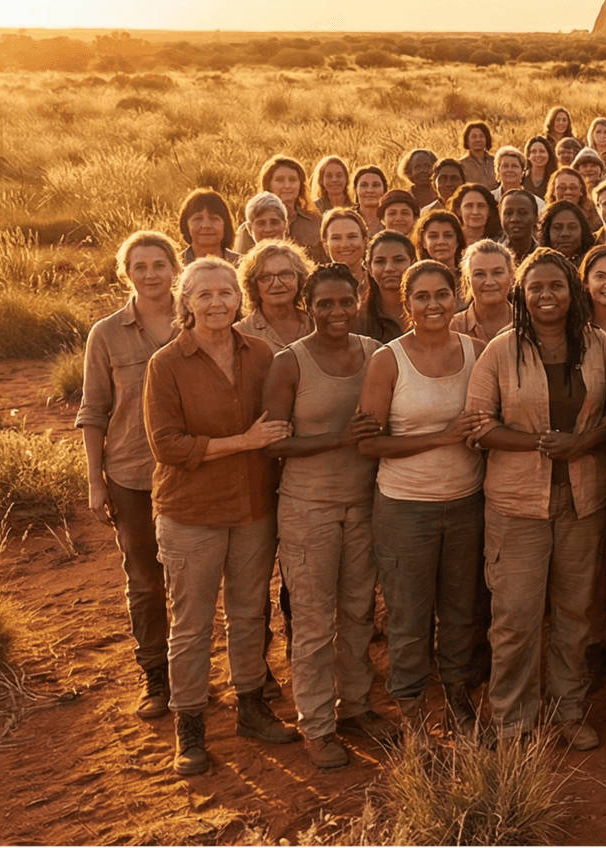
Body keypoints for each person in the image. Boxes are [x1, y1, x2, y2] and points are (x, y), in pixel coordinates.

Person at [144, 258, 297, 775]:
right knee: (191, 624)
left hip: (254, 506)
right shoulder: (166, 364)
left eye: (224, 293)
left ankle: (251, 706)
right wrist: (243, 442)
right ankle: (189, 727)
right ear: (185, 301)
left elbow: (281, 422)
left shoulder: (261, 354)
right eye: (203, 294)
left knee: (250, 613)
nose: (215, 303)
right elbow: (166, 445)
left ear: (239, 298)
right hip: (192, 513)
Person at [467, 249, 606, 749]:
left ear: (573, 292)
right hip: (516, 504)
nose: (546, 296)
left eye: (556, 286)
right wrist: (536, 442)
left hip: (583, 502)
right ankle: (513, 720)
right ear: (522, 294)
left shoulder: (600, 347)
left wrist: (582, 442)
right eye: (536, 288)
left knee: (575, 615)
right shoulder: (499, 351)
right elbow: (478, 426)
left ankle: (568, 710)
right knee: (515, 618)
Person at [260, 264, 394, 769]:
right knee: (314, 622)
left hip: (364, 502)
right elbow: (271, 443)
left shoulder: (375, 355)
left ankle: (356, 707)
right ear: (308, 306)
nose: (336, 312)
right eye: (324, 304)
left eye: (344, 302)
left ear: (358, 300)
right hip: (307, 508)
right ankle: (316, 725)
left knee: (358, 613)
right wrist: (337, 440)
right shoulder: (289, 363)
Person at [356, 261, 493, 732]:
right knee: (409, 614)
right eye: (422, 296)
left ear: (457, 297)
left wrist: (475, 436)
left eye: (442, 294)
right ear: (407, 303)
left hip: (466, 501)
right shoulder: (388, 360)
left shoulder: (478, 351)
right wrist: (445, 435)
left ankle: (457, 698)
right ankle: (413, 711)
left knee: (460, 609)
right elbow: (368, 443)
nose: (433, 304)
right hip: (404, 507)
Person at [77, 231, 181, 721]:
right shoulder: (107, 332)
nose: (151, 274)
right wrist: (97, 481)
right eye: (140, 266)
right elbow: (94, 409)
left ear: (174, 268)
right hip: (131, 473)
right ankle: (156, 678)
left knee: (199, 578)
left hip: (194, 472)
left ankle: (206, 674)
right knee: (144, 580)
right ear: (126, 273)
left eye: (159, 263)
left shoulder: (200, 316)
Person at [235, 241, 313, 352]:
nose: (277, 284)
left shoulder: (316, 325)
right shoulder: (240, 334)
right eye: (266, 277)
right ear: (253, 284)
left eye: (285, 274)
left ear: (299, 279)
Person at [358, 231, 415, 343]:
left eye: (399, 260)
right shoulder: (360, 319)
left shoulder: (428, 309)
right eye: (380, 262)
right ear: (369, 268)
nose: (389, 268)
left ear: (413, 263)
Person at [455, 239, 514, 342]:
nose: (489, 282)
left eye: (497, 273)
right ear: (468, 280)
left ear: (511, 277)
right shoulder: (453, 328)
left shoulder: (529, 324)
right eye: (479, 274)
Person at [176, 188, 241, 264]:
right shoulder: (174, 266)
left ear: (226, 225)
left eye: (214, 219)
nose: (206, 225)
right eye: (197, 218)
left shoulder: (243, 265)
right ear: (185, 224)